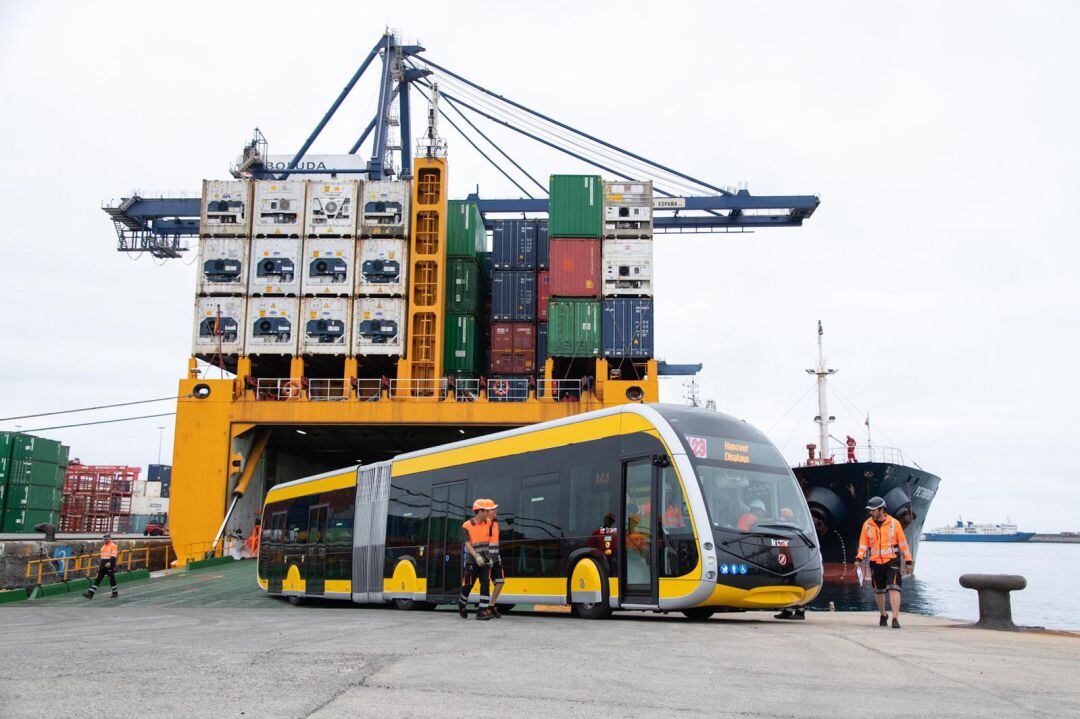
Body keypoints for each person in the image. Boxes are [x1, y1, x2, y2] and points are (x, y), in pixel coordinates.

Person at [854, 496, 913, 628]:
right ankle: (883, 614)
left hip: (892, 560)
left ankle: (895, 618)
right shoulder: (867, 525)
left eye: (873, 510)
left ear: (881, 509)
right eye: (870, 510)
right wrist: (859, 558)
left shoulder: (894, 524)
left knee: (894, 588)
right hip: (875, 562)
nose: (871, 512)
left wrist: (908, 561)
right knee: (879, 591)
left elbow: (903, 544)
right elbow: (863, 544)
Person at [458, 499, 494, 620]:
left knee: (485, 584)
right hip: (471, 561)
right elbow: (467, 544)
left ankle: (482, 611)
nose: (488, 513)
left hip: (485, 559)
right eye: (486, 511)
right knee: (468, 584)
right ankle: (462, 604)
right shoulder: (466, 526)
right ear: (480, 511)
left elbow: (490, 540)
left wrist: (491, 556)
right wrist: (476, 556)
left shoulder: (488, 523)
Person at [484, 500, 506, 618]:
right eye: (493, 509)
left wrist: (495, 558)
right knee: (485, 584)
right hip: (486, 559)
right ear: (487, 512)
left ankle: (491, 605)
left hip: (495, 558)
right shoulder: (483, 525)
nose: (496, 511)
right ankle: (484, 607)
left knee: (500, 582)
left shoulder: (496, 524)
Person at [83, 533, 120, 600]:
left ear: (110, 539)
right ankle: (90, 594)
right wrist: (101, 564)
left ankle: (115, 593)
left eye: (107, 539)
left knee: (112, 580)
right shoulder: (103, 546)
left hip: (109, 565)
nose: (106, 540)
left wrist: (110, 563)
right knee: (98, 579)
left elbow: (114, 556)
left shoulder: (113, 545)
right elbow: (103, 556)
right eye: (105, 539)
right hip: (103, 565)